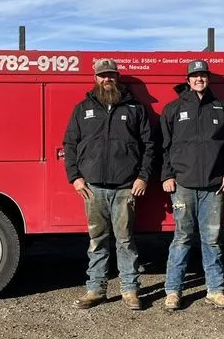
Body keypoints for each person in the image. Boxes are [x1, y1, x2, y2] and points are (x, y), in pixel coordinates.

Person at [62, 58, 155, 310]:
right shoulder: (83, 108)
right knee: (97, 239)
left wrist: (143, 176)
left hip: (125, 187)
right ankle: (96, 289)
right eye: (102, 75)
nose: (107, 79)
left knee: (125, 241)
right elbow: (70, 145)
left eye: (111, 75)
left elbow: (149, 146)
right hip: (93, 188)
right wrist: (75, 177)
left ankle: (130, 291)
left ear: (117, 77)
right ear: (95, 78)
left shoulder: (136, 108)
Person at [159, 59, 224, 310]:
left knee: (212, 240)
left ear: (208, 78)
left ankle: (215, 290)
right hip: (183, 185)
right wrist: (166, 176)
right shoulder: (173, 109)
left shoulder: (220, 109)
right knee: (181, 238)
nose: (199, 79)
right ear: (188, 80)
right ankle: (173, 291)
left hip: (214, 187)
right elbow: (163, 147)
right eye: (194, 76)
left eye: (203, 75)